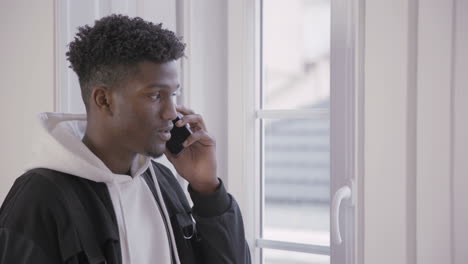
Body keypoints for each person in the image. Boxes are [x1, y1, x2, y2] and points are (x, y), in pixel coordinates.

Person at [0, 14, 251, 264]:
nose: (172, 112)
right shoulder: (38, 199)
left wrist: (207, 189)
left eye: (173, 95)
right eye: (155, 96)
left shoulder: (162, 182)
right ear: (103, 99)